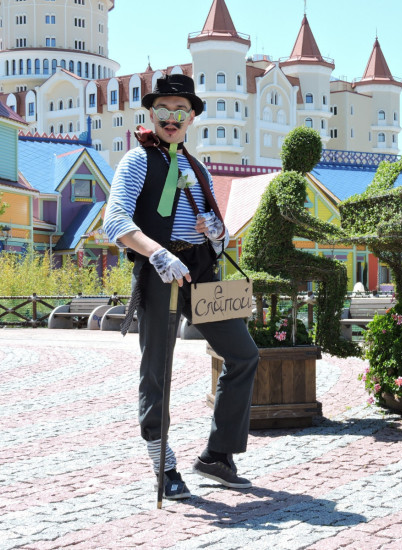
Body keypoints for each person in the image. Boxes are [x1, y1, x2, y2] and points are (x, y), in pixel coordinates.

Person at [103, 74, 259, 499]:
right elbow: (115, 220)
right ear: (152, 114)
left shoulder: (198, 167)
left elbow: (222, 233)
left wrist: (216, 232)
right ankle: (163, 462)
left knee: (244, 354)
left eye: (180, 111)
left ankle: (217, 455)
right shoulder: (136, 161)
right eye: (163, 110)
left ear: (192, 117)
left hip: (202, 270)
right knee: (158, 367)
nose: (171, 119)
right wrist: (157, 253)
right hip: (161, 271)